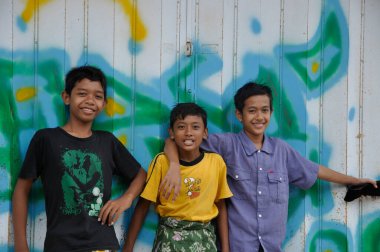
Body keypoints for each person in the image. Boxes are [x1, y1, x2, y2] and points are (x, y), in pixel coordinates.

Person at [162, 82, 378, 252]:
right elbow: (176, 141)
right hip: (239, 245)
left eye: (264, 110)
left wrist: (353, 180)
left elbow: (314, 170)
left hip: (271, 246)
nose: (259, 117)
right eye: (252, 111)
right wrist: (173, 165)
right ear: (240, 115)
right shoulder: (227, 145)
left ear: (271, 113)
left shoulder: (281, 151)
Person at [12, 65, 147, 252]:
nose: (90, 100)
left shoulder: (107, 142)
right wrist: (21, 245)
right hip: (60, 245)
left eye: (98, 96)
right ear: (66, 97)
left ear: (104, 104)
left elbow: (141, 175)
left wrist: (127, 199)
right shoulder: (46, 139)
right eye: (82, 93)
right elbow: (21, 189)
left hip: (102, 245)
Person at [123, 103, 232, 252]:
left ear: (205, 133)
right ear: (172, 133)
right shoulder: (161, 162)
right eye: (181, 127)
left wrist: (225, 249)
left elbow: (221, 206)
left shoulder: (216, 163)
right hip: (169, 238)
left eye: (195, 127)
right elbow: (143, 206)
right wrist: (127, 248)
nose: (188, 132)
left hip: (204, 240)